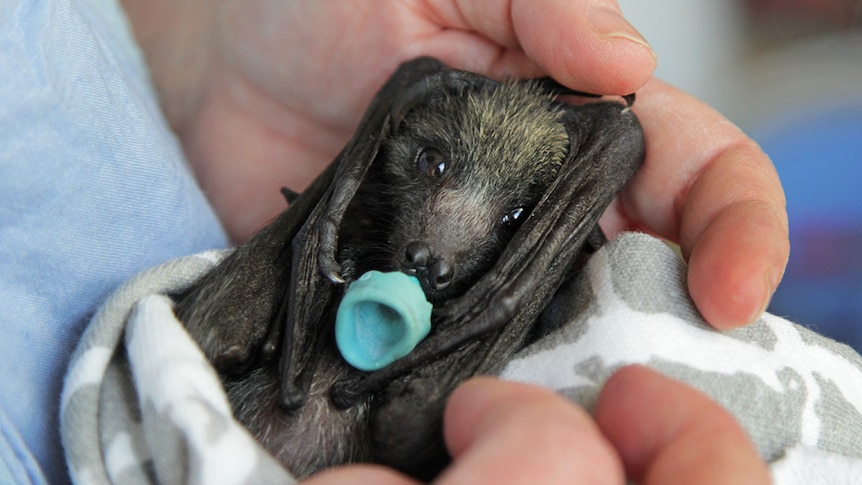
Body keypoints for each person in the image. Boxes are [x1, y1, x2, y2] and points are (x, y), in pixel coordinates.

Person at [0, 0, 784, 483]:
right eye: (434, 166)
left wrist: (204, 28)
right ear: (393, 145)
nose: (442, 241)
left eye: (506, 223)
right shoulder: (314, 250)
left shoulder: (488, 308)